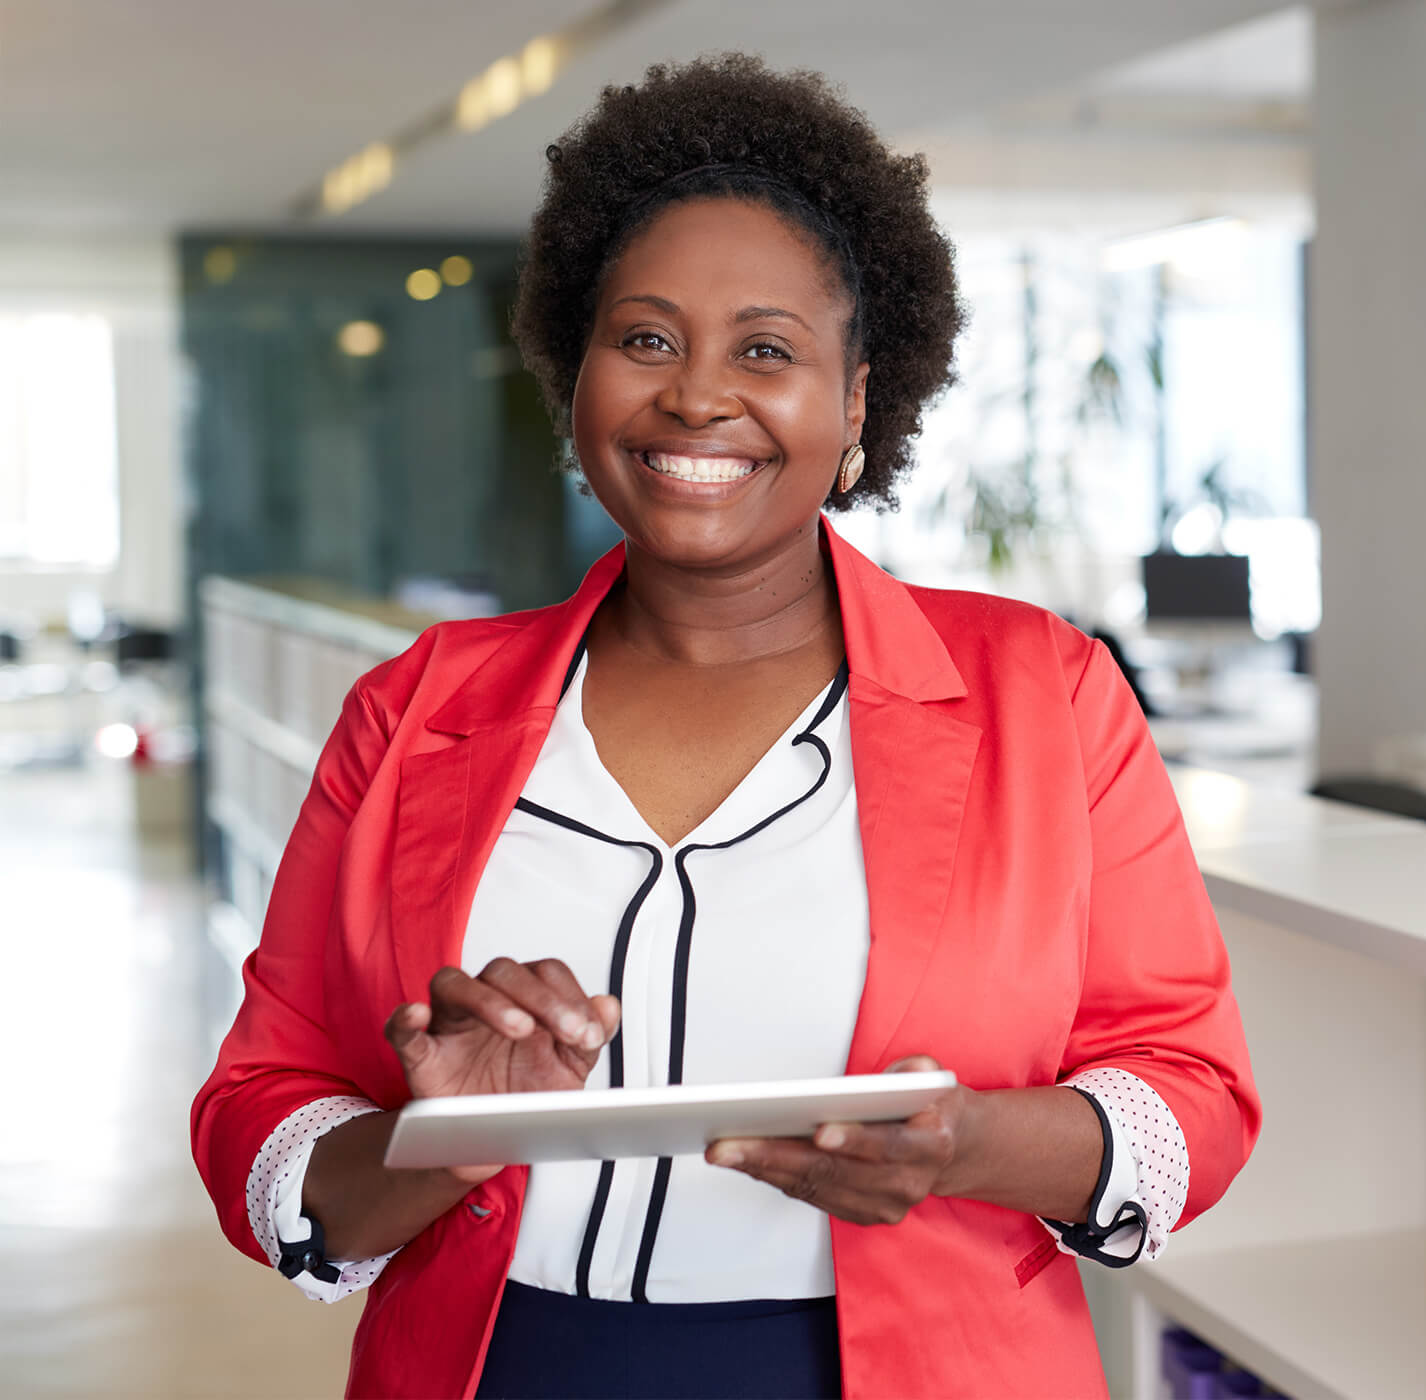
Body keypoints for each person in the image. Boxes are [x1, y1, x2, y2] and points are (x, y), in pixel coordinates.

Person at [190, 53, 1259, 1400]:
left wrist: (971, 1145)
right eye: (645, 339)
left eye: (767, 349)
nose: (697, 396)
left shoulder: (1045, 695)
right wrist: (440, 1135)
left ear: (859, 403)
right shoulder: (412, 711)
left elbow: (1192, 1098)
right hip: (503, 1365)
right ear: (575, 380)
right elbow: (261, 1108)